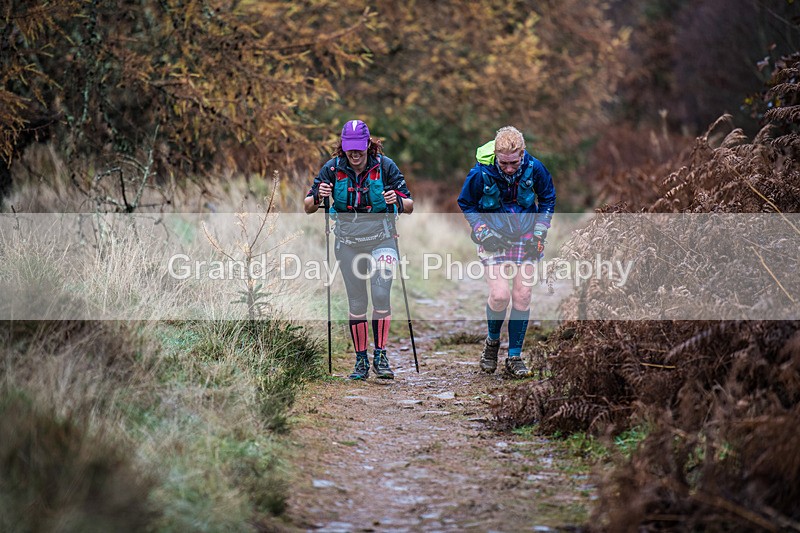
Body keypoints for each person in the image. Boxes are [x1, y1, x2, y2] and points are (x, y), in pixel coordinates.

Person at [304, 119, 413, 380]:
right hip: (348, 244)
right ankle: (361, 360)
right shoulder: (332, 168)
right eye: (349, 147)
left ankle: (381, 356)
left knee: (381, 294)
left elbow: (409, 205)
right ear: (343, 146)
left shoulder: (385, 167)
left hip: (382, 239)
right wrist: (319, 196)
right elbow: (307, 206)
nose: (354, 153)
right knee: (357, 302)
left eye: (359, 147)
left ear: (368, 144)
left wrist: (397, 200)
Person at [457, 126, 556, 377]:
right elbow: (466, 203)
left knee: (523, 295)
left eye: (514, 163)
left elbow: (547, 199)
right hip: (493, 235)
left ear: (522, 154)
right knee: (500, 295)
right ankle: (492, 343)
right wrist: (482, 232)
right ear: (496, 156)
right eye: (503, 163)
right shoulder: (480, 173)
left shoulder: (536, 168)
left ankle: (514, 358)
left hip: (527, 236)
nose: (509, 168)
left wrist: (540, 233)